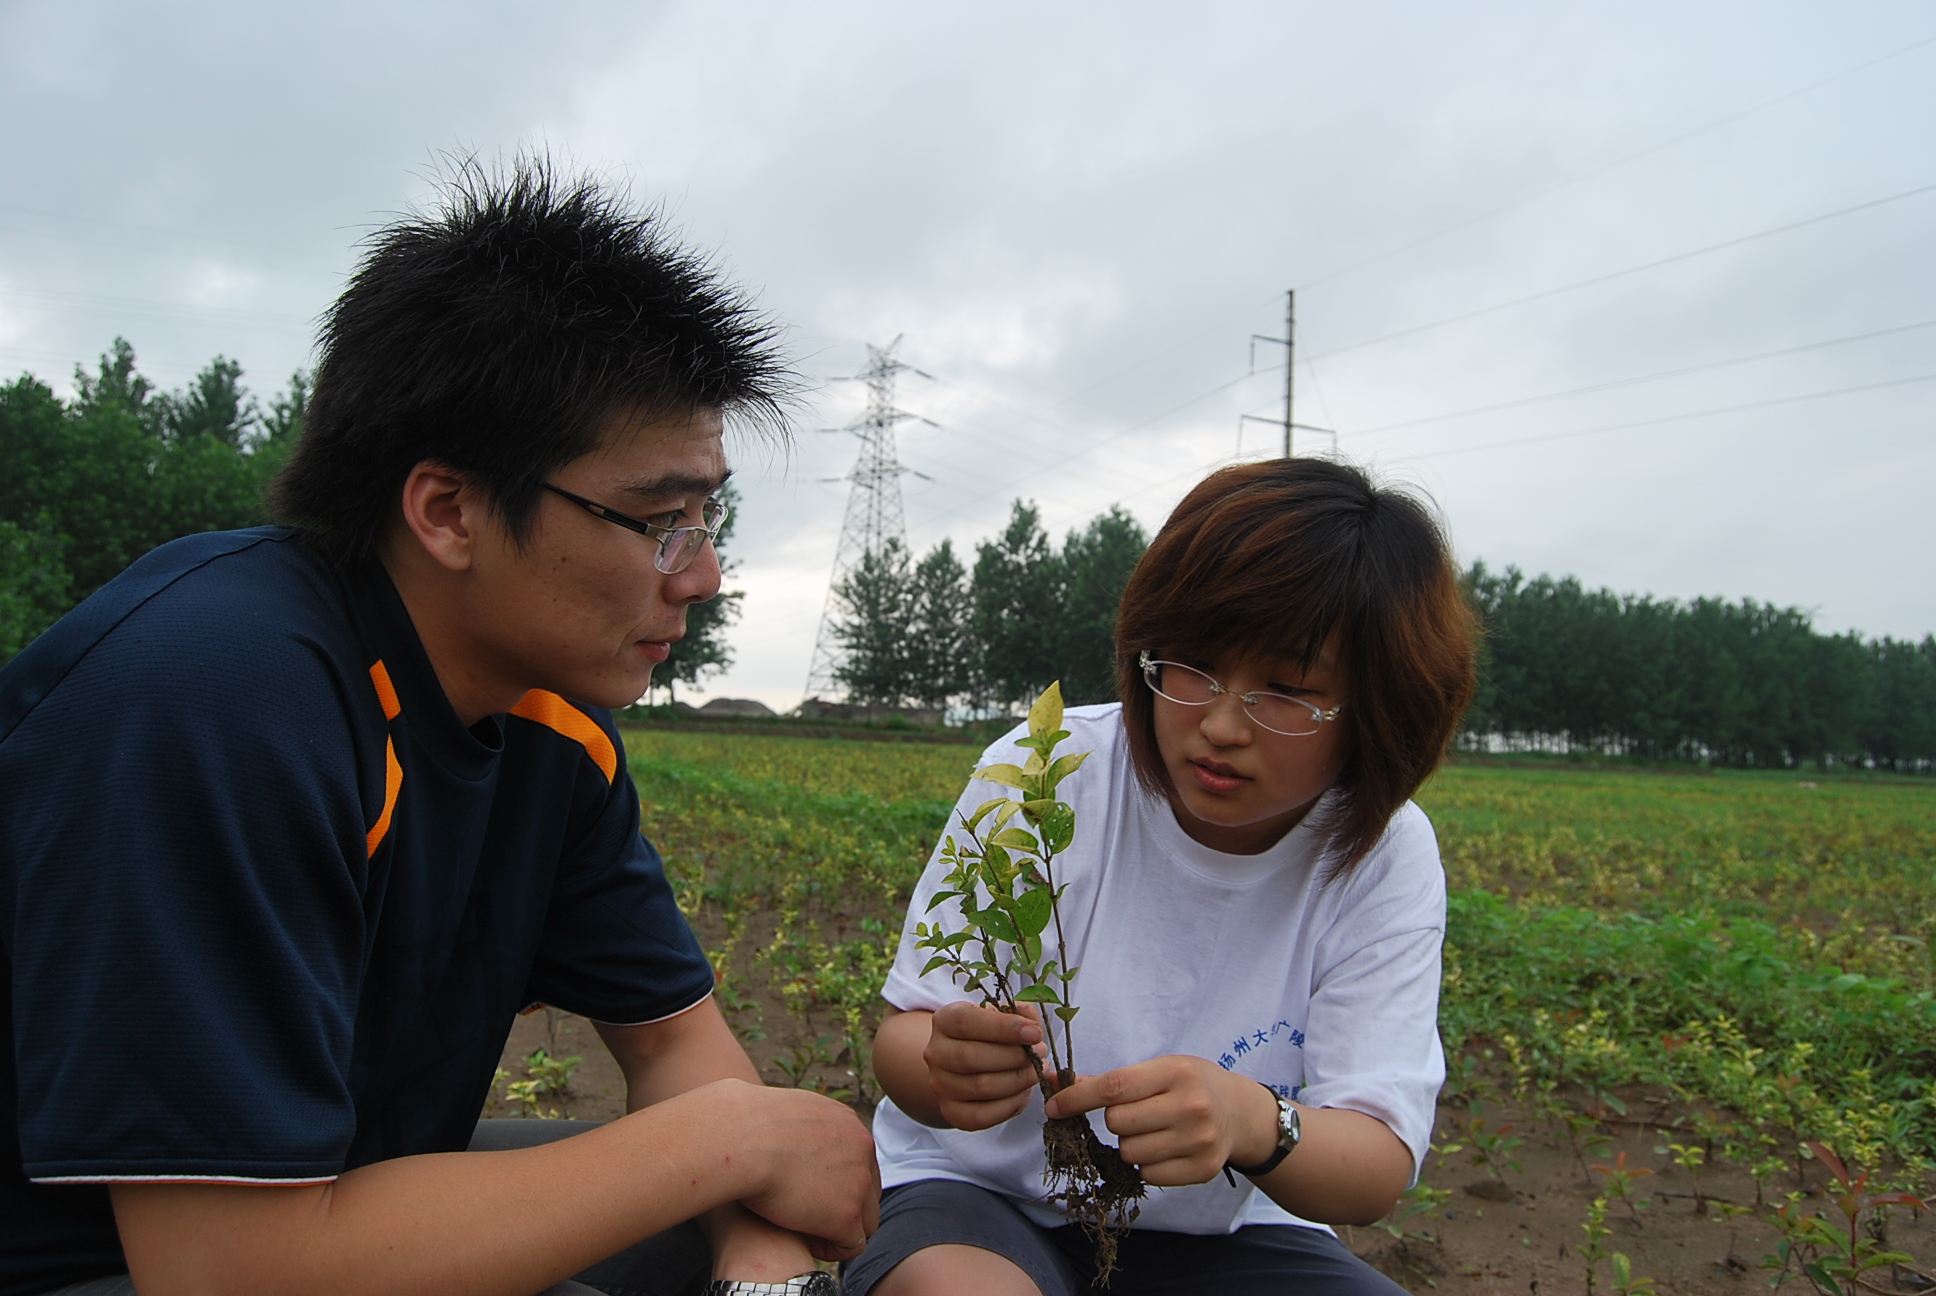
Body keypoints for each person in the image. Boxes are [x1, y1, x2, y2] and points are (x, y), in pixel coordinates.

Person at [1, 160, 875, 1296]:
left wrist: (755, 1248)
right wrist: (739, 1146)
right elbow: (228, 1270)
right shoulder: (214, 698)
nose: (702, 576)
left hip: (319, 1212)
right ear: (449, 510)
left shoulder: (554, 734)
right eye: (660, 521)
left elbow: (671, 1043)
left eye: (710, 519)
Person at [848, 457, 1479, 1296]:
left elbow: (1374, 1166)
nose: (1219, 725)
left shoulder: (1381, 855)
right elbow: (903, 1041)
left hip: (1221, 1235)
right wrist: (944, 1065)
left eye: (1287, 691)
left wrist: (1257, 1123)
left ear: (1379, 707)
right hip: (978, 1197)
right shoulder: (1046, 775)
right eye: (1192, 668)